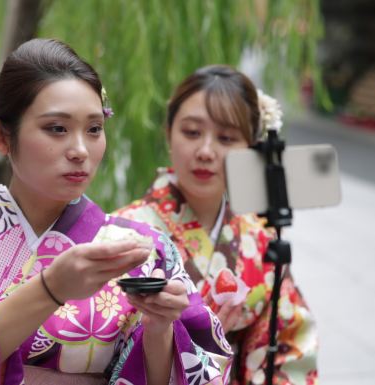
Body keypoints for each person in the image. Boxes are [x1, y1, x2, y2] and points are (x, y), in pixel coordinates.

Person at [0, 39, 233, 385]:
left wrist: (159, 332)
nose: (81, 150)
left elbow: (207, 368)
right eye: (57, 128)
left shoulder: (143, 250)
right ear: (1, 137)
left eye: (94, 129)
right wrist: (50, 288)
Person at [114, 65, 318, 385]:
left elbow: (289, 345)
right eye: (192, 132)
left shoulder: (260, 237)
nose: (206, 151)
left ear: (249, 147)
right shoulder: (124, 231)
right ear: (168, 134)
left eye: (226, 138)